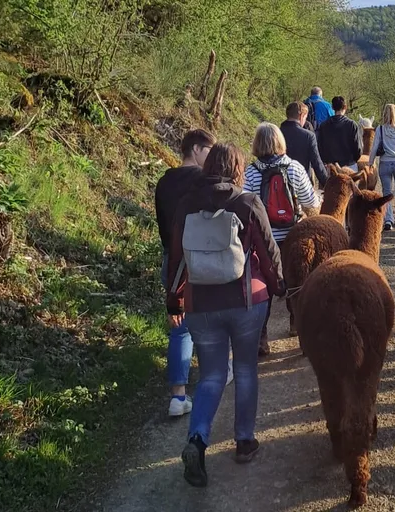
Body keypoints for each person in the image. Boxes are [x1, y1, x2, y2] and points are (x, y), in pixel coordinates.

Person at [166, 143, 285, 488]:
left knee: (212, 376)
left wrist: (175, 301)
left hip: (201, 304)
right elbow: (268, 250)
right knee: (245, 369)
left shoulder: (187, 205)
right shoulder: (247, 202)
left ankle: (197, 440)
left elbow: (177, 258)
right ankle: (244, 441)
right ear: (238, 169)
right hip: (246, 302)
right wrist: (278, 285)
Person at [154, 129, 229, 417]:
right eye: (209, 150)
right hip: (202, 259)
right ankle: (218, 373)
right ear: (196, 149)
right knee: (213, 318)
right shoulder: (203, 181)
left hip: (171, 261)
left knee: (180, 328)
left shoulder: (163, 182)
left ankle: (178, 396)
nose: (212, 157)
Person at [244, 123, 321, 356]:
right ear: (280, 142)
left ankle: (261, 339)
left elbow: (244, 206)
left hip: (263, 241)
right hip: (293, 238)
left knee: (264, 288)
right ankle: (298, 328)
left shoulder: (250, 173)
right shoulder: (295, 168)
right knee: (297, 283)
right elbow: (311, 203)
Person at [369, 103, 395, 231]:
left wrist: (370, 162)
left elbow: (374, 147)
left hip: (385, 162)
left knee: (386, 192)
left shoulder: (380, 129)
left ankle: (388, 220)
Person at [280, 101, 328, 188]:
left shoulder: (277, 133)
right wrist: (327, 183)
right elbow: (316, 163)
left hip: (280, 182)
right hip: (302, 183)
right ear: (301, 116)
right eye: (305, 117)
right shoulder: (309, 136)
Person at [317, 96, 363, 171]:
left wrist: (325, 161)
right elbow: (358, 148)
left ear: (332, 107)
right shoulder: (352, 125)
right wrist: (354, 160)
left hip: (330, 167)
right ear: (345, 107)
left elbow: (320, 147)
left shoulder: (324, 125)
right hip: (349, 166)